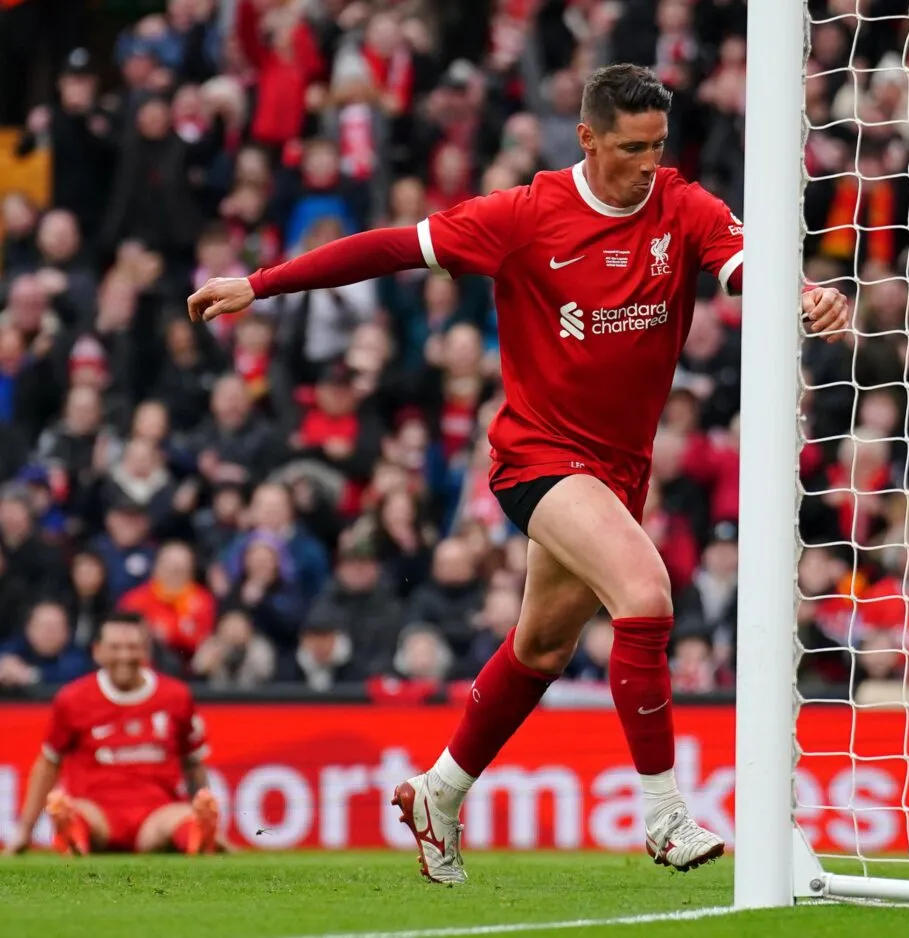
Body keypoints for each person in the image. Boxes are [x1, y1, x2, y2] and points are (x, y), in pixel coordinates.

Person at [188, 63, 849, 885]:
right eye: (630, 148)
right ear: (587, 138)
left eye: (657, 146)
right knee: (645, 597)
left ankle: (438, 792)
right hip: (537, 457)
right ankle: (665, 816)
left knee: (540, 645)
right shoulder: (526, 215)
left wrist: (807, 293)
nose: (647, 163)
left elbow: (744, 265)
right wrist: (259, 284)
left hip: (619, 469)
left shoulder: (683, 206)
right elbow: (394, 247)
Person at [3, 613, 220, 856]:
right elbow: (48, 764)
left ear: (145, 650)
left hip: (156, 812)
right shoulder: (73, 698)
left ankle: (198, 836)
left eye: (132, 647)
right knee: (76, 813)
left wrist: (202, 807)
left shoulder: (176, 696)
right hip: (97, 810)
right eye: (115, 648)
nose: (124, 656)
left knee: (182, 819)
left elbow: (193, 765)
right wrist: (25, 830)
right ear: (97, 651)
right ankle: (72, 835)